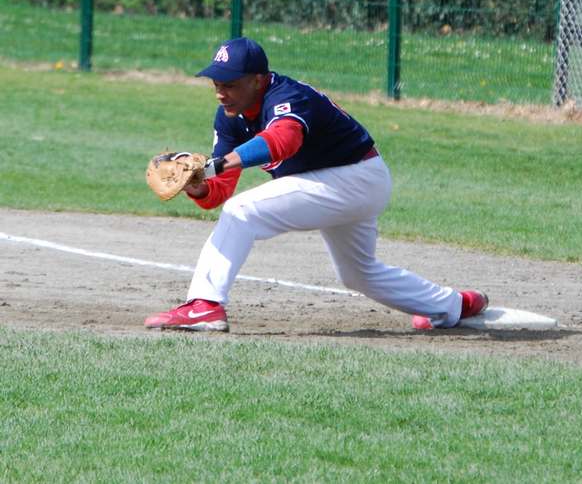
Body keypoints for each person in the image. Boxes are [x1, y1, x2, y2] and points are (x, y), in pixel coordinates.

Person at [144, 36, 489, 332]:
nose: (221, 92)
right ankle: (453, 306)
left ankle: (205, 304)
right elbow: (218, 191)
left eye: (230, 84)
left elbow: (284, 140)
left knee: (242, 211)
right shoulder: (231, 116)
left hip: (356, 175)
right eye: (217, 83)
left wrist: (215, 165)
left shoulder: (288, 96)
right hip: (335, 184)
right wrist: (198, 186)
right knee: (358, 273)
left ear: (259, 80)